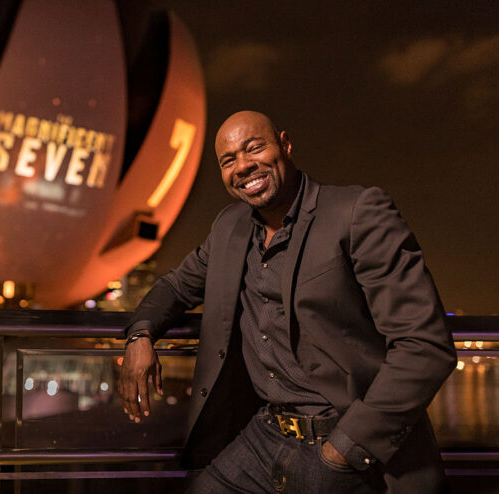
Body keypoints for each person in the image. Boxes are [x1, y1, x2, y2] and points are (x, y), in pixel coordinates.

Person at [118, 111, 456, 493]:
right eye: (229, 161)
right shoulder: (229, 227)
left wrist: (343, 449)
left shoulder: (357, 212)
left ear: (285, 144)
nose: (243, 166)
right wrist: (140, 335)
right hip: (265, 434)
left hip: (347, 445)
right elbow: (176, 286)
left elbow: (425, 346)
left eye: (254, 148)